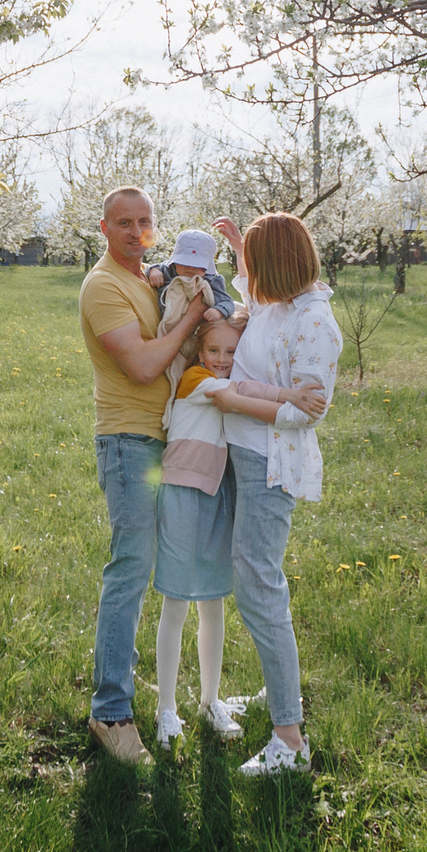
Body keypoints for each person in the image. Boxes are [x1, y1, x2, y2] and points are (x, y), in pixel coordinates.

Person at [78, 185, 217, 764]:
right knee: (130, 570)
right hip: (129, 442)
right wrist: (192, 320)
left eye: (145, 223)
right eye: (124, 223)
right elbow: (139, 366)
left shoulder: (148, 279)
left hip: (168, 439)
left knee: (165, 567)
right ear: (104, 228)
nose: (136, 233)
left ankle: (185, 699)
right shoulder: (104, 286)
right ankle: (111, 712)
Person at [150, 314, 326, 748]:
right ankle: (166, 709)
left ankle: (211, 701)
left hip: (217, 491)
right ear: (198, 351)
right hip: (183, 490)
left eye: (231, 352)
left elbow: (242, 384)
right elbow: (240, 392)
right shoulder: (196, 379)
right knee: (176, 600)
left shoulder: (217, 373)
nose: (222, 360)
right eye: (214, 350)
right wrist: (289, 396)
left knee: (213, 600)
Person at [213, 210, 340, 777]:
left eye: (258, 265)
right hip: (244, 456)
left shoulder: (315, 321)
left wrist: (233, 396)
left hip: (271, 465)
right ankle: (279, 689)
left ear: (279, 268)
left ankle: (289, 739)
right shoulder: (278, 303)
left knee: (258, 584)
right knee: (256, 581)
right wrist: (242, 245)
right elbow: (253, 293)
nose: (250, 277)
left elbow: (301, 413)